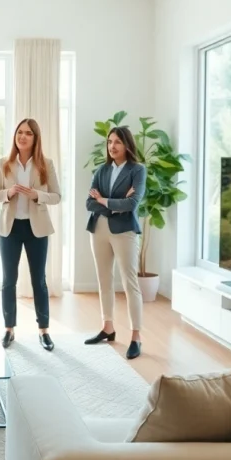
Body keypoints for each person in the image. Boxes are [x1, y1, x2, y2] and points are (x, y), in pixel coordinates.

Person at [0, 118, 61, 351]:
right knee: (9, 280)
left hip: (36, 229)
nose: (23, 136)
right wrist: (8, 193)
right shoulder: (4, 163)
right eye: (20, 132)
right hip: (9, 229)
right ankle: (9, 329)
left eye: (28, 133)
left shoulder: (46, 164)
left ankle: (44, 331)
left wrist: (37, 195)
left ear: (35, 138)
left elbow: (57, 196)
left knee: (39, 281)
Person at [84, 126, 147, 360]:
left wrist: (102, 199)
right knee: (104, 280)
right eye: (110, 142)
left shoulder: (137, 170)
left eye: (117, 142)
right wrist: (113, 203)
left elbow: (132, 204)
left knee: (130, 283)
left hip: (125, 231)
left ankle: (136, 337)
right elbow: (89, 204)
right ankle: (107, 327)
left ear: (127, 144)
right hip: (98, 229)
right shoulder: (101, 170)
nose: (112, 146)